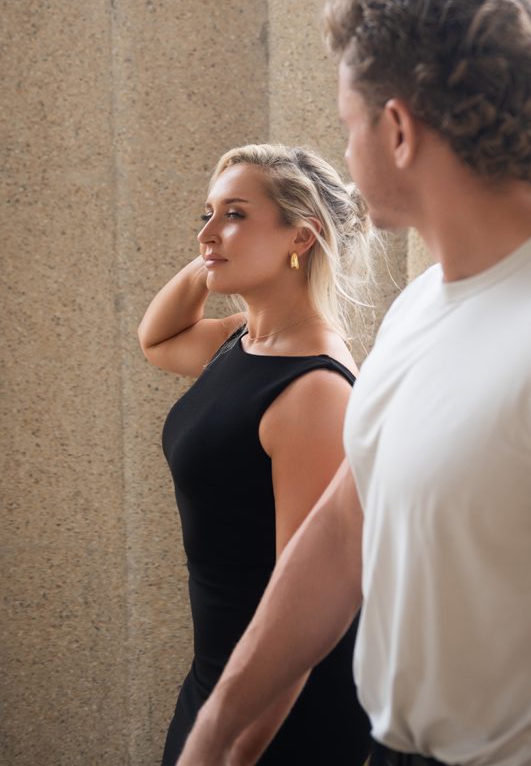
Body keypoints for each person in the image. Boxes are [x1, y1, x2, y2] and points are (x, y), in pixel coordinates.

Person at [175, 0, 531, 766]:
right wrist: (216, 736)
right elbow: (343, 529)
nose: (344, 155)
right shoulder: (425, 305)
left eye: (349, 126)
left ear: (399, 129)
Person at [137, 143, 373, 766]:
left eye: (234, 214)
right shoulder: (246, 338)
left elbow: (309, 597)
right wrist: (214, 254)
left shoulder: (315, 390)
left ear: (302, 237)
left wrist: (232, 744)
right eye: (206, 214)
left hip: (280, 706)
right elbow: (158, 340)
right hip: (218, 676)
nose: (206, 232)